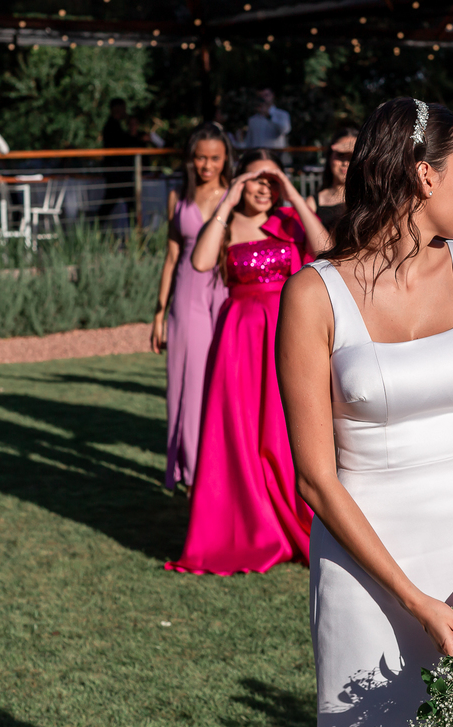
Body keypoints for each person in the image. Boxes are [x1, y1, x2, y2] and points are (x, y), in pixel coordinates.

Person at [276, 97, 453, 727]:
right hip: (368, 568)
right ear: (424, 176)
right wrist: (413, 599)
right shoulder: (312, 294)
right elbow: (314, 479)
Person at [164, 149, 330, 575]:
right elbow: (200, 261)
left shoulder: (289, 222)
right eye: (255, 180)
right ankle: (252, 524)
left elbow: (326, 247)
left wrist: (289, 187)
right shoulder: (226, 224)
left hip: (286, 331)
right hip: (239, 338)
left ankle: (292, 516)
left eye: (269, 181)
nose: (263, 188)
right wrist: (230, 196)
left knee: (282, 429)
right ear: (240, 183)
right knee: (239, 432)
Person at [151, 124, 234, 494]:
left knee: (220, 384)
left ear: (225, 160)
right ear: (191, 158)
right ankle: (190, 470)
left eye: (215, 158)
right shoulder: (177, 197)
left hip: (225, 293)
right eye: (201, 157)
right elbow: (170, 258)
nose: (207, 165)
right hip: (186, 295)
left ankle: (222, 469)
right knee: (184, 386)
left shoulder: (234, 196)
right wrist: (158, 314)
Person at [95, 98, 148, 225]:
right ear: (117, 109)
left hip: (119, 174)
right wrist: (138, 139)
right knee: (120, 206)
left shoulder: (115, 126)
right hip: (118, 174)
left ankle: (94, 230)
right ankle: (137, 235)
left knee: (119, 205)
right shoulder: (112, 127)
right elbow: (123, 146)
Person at [306, 128, 358, 232]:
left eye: (352, 156)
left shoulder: (372, 198)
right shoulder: (313, 203)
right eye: (341, 155)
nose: (345, 163)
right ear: (330, 157)